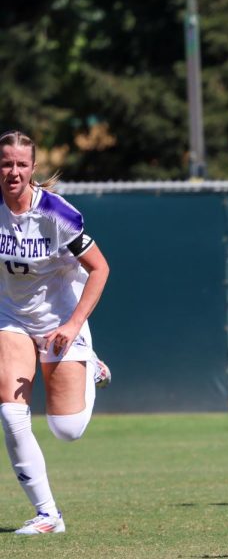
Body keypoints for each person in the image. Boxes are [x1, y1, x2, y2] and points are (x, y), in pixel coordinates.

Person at [0, 130, 111, 534]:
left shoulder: (57, 213)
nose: (13, 172)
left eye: (21, 164)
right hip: (11, 316)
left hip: (61, 319)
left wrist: (73, 324)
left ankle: (92, 364)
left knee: (67, 430)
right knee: (11, 413)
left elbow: (100, 268)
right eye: (6, 163)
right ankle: (48, 515)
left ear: (33, 169)